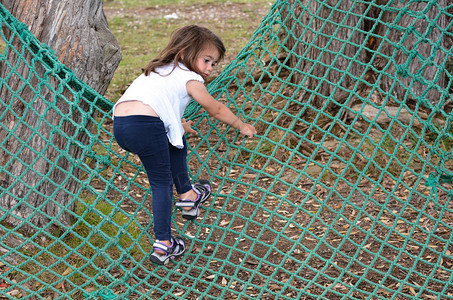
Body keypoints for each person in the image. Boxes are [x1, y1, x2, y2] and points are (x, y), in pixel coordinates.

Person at [112, 25, 256, 265]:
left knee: (176, 141)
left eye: (214, 64)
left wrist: (177, 123)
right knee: (160, 183)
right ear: (185, 53)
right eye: (207, 60)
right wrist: (241, 125)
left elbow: (155, 101)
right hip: (147, 124)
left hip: (121, 125)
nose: (210, 69)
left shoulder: (159, 70)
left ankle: (188, 195)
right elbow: (215, 108)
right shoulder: (191, 78)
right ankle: (164, 243)